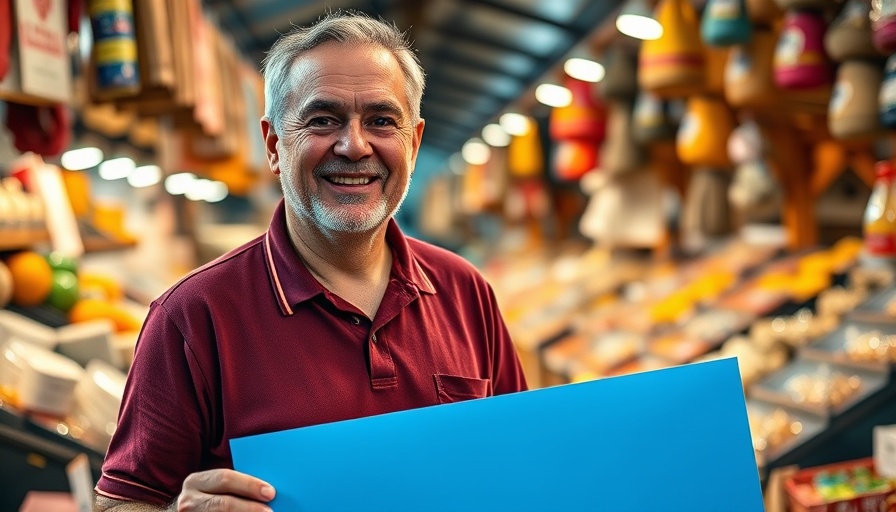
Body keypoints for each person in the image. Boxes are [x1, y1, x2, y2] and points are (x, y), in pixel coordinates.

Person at [94, 10, 528, 512]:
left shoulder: (464, 290)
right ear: (275, 144)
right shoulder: (193, 316)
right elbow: (119, 503)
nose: (354, 145)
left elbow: (519, 461)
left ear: (413, 142)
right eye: (323, 120)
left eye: (382, 121)